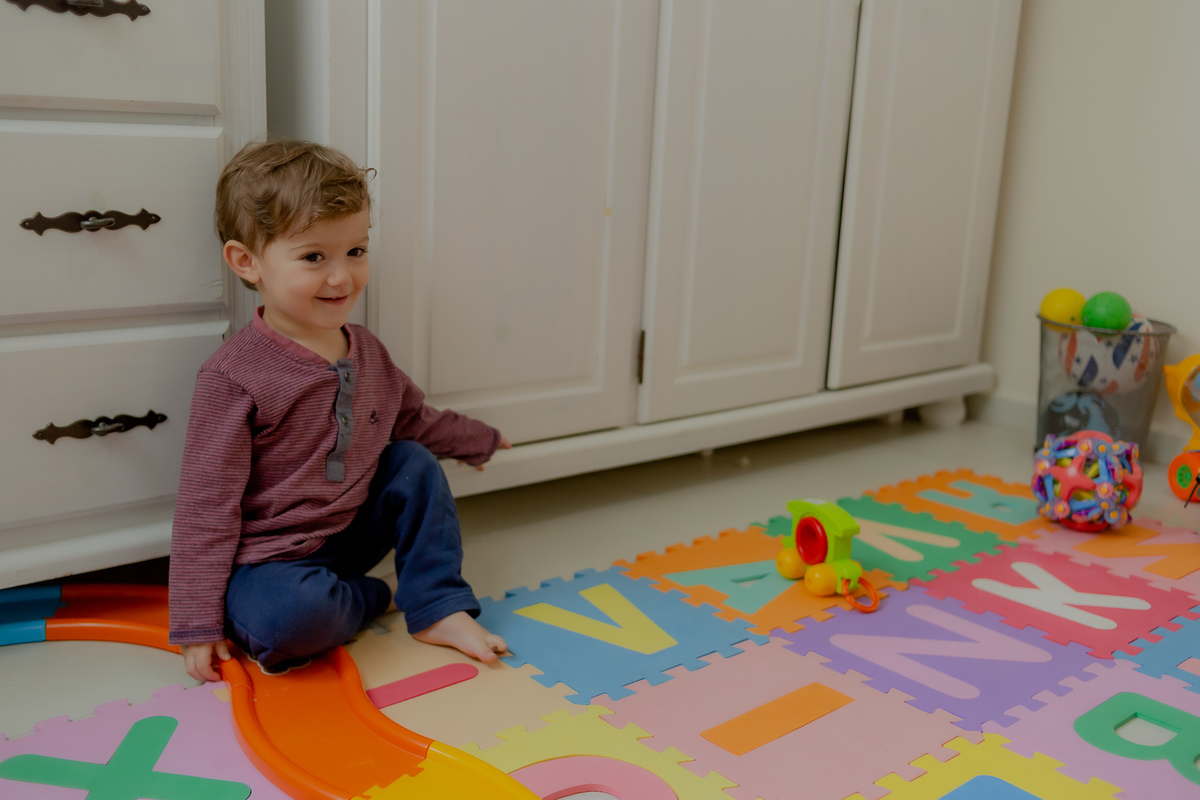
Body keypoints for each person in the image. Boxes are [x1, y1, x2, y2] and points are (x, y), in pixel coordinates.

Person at [169, 138, 509, 682]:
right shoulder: (231, 377)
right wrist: (195, 621)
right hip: (272, 562)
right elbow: (205, 504)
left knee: (413, 462)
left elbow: (413, 418)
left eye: (356, 251)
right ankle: (376, 597)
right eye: (313, 257)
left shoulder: (366, 349)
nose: (341, 277)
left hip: (350, 529)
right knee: (290, 623)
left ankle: (437, 604)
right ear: (247, 261)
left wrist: (477, 440)